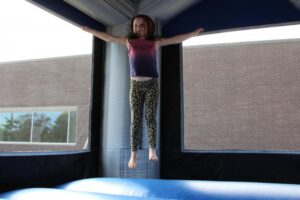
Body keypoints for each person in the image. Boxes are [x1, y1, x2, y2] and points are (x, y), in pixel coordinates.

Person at [82, 14, 204, 169]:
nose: (138, 28)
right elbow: (109, 38)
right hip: (136, 86)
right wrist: (90, 30)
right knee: (135, 120)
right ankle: (134, 154)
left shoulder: (155, 42)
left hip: (152, 83)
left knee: (150, 117)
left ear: (148, 27)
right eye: (135, 26)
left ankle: (152, 150)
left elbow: (176, 39)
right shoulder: (129, 41)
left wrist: (193, 34)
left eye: (141, 25)